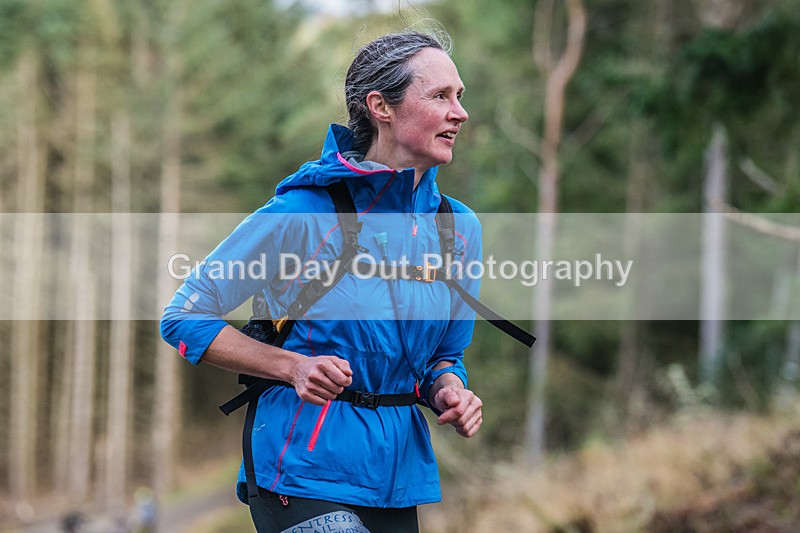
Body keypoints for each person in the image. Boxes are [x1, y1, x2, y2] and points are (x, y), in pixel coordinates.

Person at [161, 29, 483, 533]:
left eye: (459, 97)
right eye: (440, 96)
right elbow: (184, 319)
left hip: (396, 474)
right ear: (382, 106)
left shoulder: (458, 228)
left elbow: (445, 357)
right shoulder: (304, 211)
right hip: (301, 468)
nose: (459, 113)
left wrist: (449, 389)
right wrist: (291, 367)